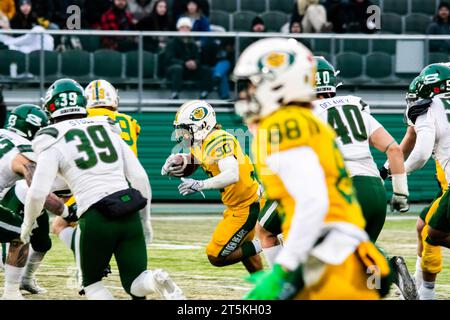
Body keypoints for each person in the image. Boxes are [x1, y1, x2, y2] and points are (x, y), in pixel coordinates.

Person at [233, 38, 391, 300]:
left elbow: (312, 201)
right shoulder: (308, 121)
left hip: (328, 259)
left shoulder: (283, 126)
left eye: (252, 84)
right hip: (345, 251)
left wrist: (285, 270)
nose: (245, 93)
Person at [20, 78, 184, 300]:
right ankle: (155, 279)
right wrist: (145, 220)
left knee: (92, 284)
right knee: (136, 283)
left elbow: (38, 192)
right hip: (128, 208)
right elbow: (139, 177)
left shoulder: (50, 137)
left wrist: (28, 224)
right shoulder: (106, 126)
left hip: (96, 214)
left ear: (50, 106)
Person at [312, 56, 417, 300]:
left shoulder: (308, 114)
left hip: (346, 190)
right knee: (361, 259)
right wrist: (400, 194)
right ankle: (388, 272)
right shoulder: (355, 107)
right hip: (375, 191)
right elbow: (394, 150)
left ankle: (390, 267)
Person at [161, 100, 263, 273]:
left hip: (246, 206)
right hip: (240, 204)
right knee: (244, 250)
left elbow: (232, 174)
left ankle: (269, 243)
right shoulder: (202, 141)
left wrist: (201, 185)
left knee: (216, 256)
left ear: (201, 126)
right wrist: (182, 160)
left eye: (186, 130)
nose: (184, 136)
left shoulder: (218, 139)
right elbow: (197, 160)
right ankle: (266, 292)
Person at [391, 64, 450, 299]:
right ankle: (419, 289)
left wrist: (399, 173)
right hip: (445, 186)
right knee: (422, 226)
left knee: (432, 234)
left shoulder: (431, 107)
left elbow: (421, 153)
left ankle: (425, 294)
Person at [0, 104, 68, 299]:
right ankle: (11, 293)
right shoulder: (25, 150)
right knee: (21, 233)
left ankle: (25, 280)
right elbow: (39, 188)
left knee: (38, 239)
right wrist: (66, 212)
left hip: (14, 197)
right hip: (15, 198)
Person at [164, 17, 211, 99]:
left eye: (187, 28)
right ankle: (175, 93)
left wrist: (195, 63)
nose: (185, 30)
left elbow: (198, 58)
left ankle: (204, 93)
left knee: (205, 69)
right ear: (178, 29)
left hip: (190, 69)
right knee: (177, 68)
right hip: (175, 69)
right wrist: (184, 63)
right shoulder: (172, 42)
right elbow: (169, 59)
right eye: (182, 28)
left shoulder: (193, 43)